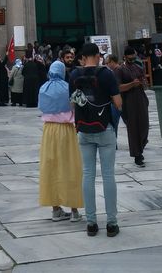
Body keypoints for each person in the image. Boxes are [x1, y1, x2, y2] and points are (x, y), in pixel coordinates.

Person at [69, 42, 121, 238]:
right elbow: (118, 102)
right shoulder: (106, 73)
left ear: (82, 57)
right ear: (98, 55)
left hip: (83, 130)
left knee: (88, 175)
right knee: (108, 175)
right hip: (104, 128)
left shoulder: (74, 75)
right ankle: (111, 223)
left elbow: (72, 104)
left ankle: (91, 223)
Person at [38, 60, 83, 222]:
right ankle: (74, 211)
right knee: (70, 166)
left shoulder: (43, 88)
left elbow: (41, 107)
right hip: (66, 130)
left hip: (49, 131)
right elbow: (81, 104)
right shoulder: (69, 87)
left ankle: (55, 209)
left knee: (51, 167)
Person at [115, 46, 149, 167]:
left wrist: (143, 82)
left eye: (134, 57)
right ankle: (137, 155)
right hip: (129, 102)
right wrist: (132, 84)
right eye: (131, 57)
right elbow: (118, 87)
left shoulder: (137, 67)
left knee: (145, 126)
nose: (133, 59)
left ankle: (141, 146)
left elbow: (144, 83)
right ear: (125, 57)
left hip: (141, 99)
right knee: (134, 129)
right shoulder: (120, 69)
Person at [105, 55, 122, 138]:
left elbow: (118, 87)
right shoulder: (116, 70)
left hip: (117, 102)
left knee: (114, 123)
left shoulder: (116, 71)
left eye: (107, 63)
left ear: (112, 62)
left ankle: (114, 143)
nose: (107, 65)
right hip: (120, 101)